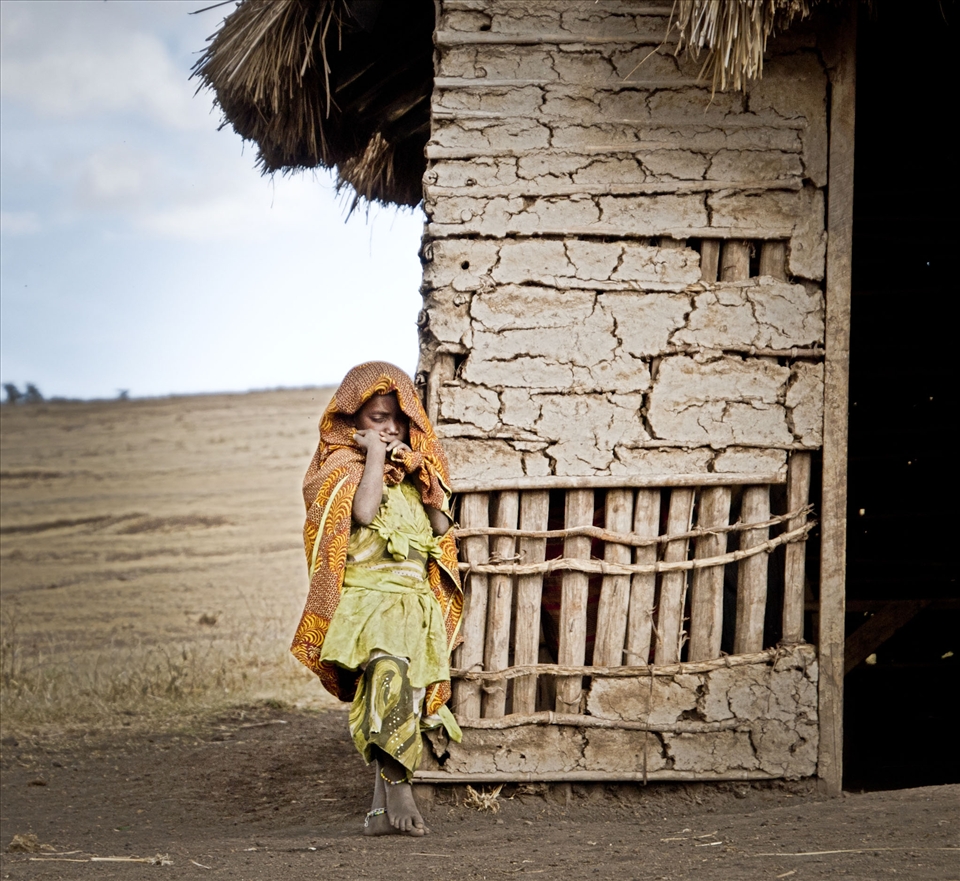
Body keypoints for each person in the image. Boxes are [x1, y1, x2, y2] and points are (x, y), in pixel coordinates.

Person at [291, 362, 463, 837]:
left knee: (399, 697)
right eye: (375, 419)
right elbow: (364, 512)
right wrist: (371, 458)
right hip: (366, 600)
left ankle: (377, 811)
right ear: (353, 424)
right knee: (387, 674)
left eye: (395, 418)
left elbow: (441, 527)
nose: (388, 428)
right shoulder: (341, 469)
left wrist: (421, 469)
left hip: (412, 601)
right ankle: (399, 781)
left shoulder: (408, 474)